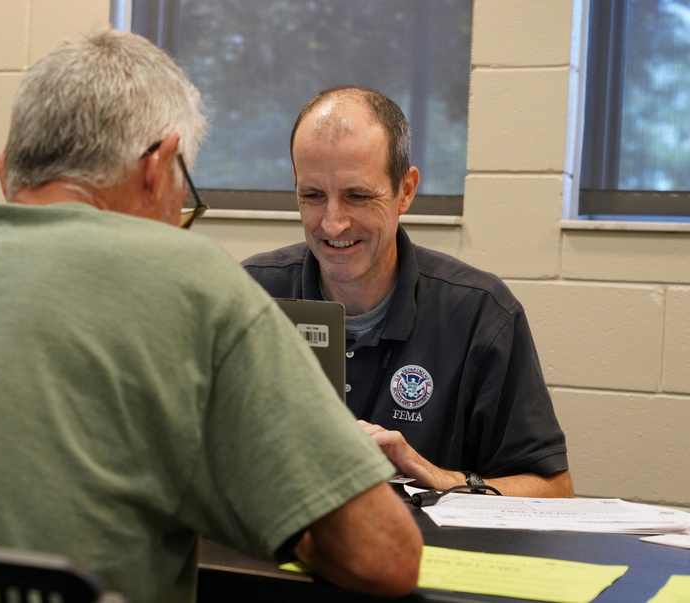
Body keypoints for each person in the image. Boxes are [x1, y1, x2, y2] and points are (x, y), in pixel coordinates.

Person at [0, 33, 422, 602]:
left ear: (9, 170)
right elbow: (384, 555)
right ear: (158, 166)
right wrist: (271, 512)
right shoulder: (190, 278)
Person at [242, 86, 573, 498]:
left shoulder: (479, 314)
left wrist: (433, 476)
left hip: (428, 556)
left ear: (406, 190)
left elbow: (553, 490)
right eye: (312, 196)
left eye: (358, 196)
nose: (332, 225)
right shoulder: (250, 295)